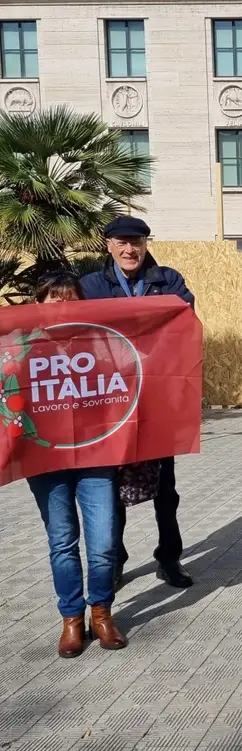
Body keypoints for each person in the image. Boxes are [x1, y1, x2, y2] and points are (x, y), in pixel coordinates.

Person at [80, 216, 195, 590]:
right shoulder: (91, 285)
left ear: (146, 243)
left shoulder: (168, 280)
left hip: (158, 399)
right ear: (108, 244)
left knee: (166, 490)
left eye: (137, 242)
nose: (130, 249)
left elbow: (183, 320)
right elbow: (81, 335)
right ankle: (114, 561)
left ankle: (169, 558)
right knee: (110, 489)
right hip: (110, 403)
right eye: (122, 242)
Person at [27, 273, 127, 657]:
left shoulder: (99, 340)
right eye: (55, 300)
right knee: (62, 541)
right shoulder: (19, 346)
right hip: (45, 458)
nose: (64, 307)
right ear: (39, 304)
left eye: (72, 299)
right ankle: (71, 618)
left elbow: (127, 381)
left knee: (102, 542)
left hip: (95, 456)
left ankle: (101, 611)